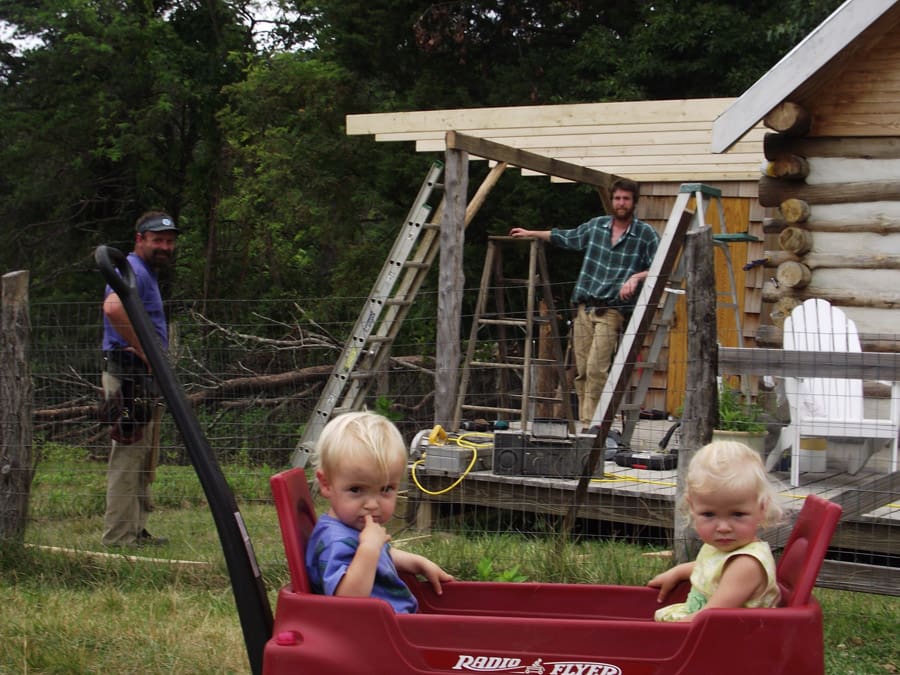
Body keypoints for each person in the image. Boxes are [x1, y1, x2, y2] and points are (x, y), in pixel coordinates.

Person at [509, 178, 659, 429]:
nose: (621, 203)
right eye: (617, 198)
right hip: (584, 308)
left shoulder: (644, 234)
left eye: (626, 199)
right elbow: (566, 237)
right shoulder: (597, 226)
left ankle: (593, 426)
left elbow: (663, 265)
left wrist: (636, 277)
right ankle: (589, 420)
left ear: (634, 202)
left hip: (611, 310)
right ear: (612, 201)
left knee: (596, 368)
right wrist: (532, 233)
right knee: (580, 371)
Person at [307, 411, 453, 613]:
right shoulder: (333, 540)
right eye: (356, 490)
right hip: (377, 637)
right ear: (326, 484)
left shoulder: (350, 529)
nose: (372, 504)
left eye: (386, 489)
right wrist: (369, 548)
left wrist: (416, 562)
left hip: (395, 626)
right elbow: (346, 601)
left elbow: (378, 556)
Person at [99, 211, 179, 547]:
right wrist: (144, 347)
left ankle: (136, 529)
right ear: (140, 239)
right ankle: (118, 537)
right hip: (127, 372)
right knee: (128, 455)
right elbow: (112, 309)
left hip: (142, 375)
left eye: (169, 241)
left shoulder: (144, 272)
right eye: (157, 240)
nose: (164, 246)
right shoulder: (130, 270)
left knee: (144, 457)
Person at [647, 440, 784, 622]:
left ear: (762, 508)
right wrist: (679, 572)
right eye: (709, 514)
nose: (723, 528)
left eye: (738, 514)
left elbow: (711, 616)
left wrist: (665, 633)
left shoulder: (747, 565)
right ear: (692, 507)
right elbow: (711, 567)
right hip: (705, 633)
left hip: (728, 641)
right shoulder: (727, 549)